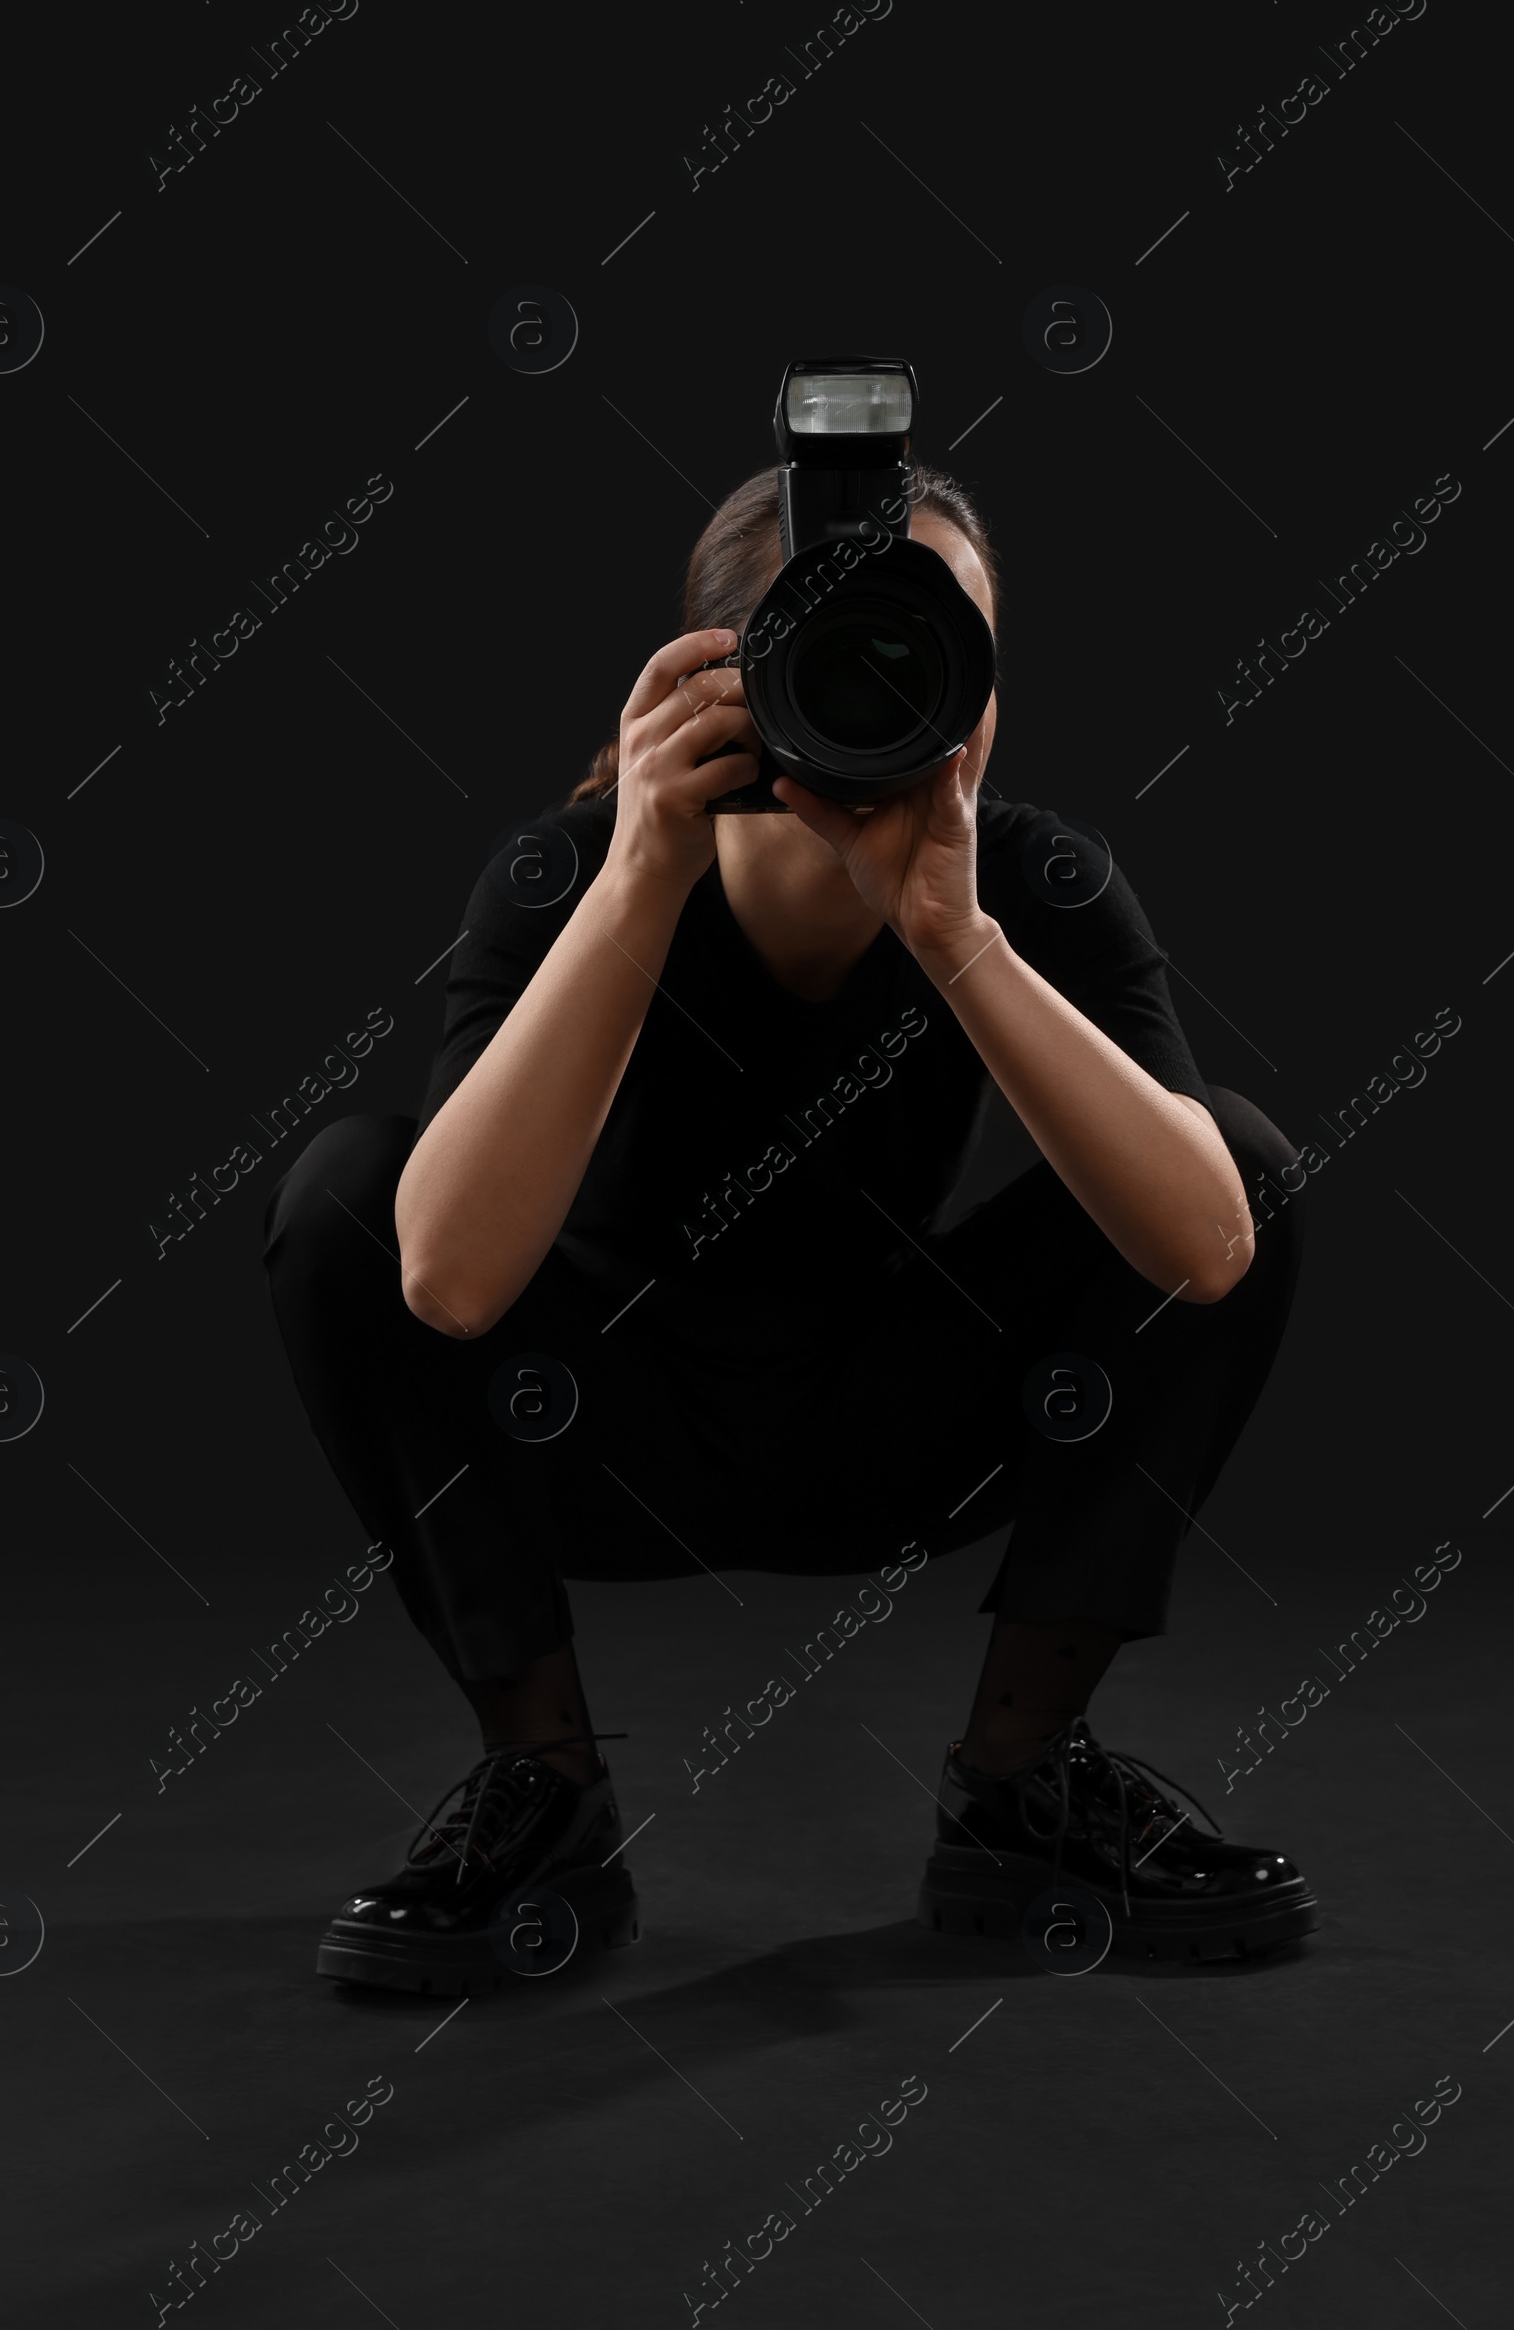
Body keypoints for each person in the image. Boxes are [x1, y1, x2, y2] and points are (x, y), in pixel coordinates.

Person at [262, 460, 1317, 1996]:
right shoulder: (569, 875)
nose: (888, 682)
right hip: (610, 1430)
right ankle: (542, 1788)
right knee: (349, 1188)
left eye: (933, 641)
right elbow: (443, 1273)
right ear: (716, 674)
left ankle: (1023, 1784)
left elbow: (1212, 1248)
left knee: (1232, 1158)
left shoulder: (1035, 885)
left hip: (891, 1420)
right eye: (835, 642)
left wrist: (954, 937)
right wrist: (640, 867)